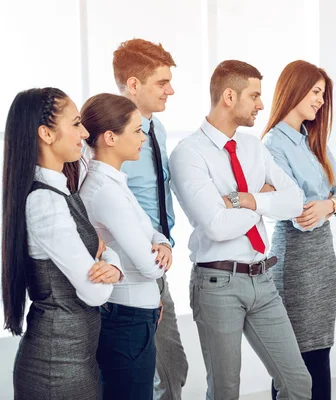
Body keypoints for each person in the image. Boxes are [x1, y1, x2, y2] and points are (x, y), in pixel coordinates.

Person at [169, 60, 312, 399]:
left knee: (298, 383)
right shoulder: (188, 154)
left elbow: (295, 201)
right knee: (225, 391)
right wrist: (260, 201)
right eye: (255, 96)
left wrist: (245, 200)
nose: (262, 105)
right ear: (229, 96)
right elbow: (217, 227)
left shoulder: (252, 147)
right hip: (218, 284)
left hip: (263, 280)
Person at [2, 87, 122, 399]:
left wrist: (112, 265)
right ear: (46, 133)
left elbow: (103, 251)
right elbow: (94, 292)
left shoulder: (62, 192)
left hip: (76, 360)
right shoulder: (44, 202)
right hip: (56, 367)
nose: (84, 132)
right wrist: (109, 264)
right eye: (76, 123)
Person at [70, 93, 173, 399]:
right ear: (110, 137)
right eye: (137, 130)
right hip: (127, 319)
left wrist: (163, 244)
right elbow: (146, 264)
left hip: (135, 316)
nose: (143, 137)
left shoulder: (115, 183)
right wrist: (160, 258)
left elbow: (154, 234)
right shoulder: (105, 191)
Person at [262, 60, 336, 400]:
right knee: (295, 358)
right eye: (315, 92)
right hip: (295, 261)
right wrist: (320, 202)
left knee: (320, 348)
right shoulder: (273, 144)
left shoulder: (312, 140)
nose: (320, 101)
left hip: (322, 259)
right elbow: (295, 206)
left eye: (323, 95)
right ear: (295, 89)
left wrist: (329, 205)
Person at [113, 38, 188, 399]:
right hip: (126, 268)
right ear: (133, 84)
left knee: (171, 367)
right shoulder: (106, 132)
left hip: (157, 261)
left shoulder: (155, 129)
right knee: (143, 372)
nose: (170, 90)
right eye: (162, 82)